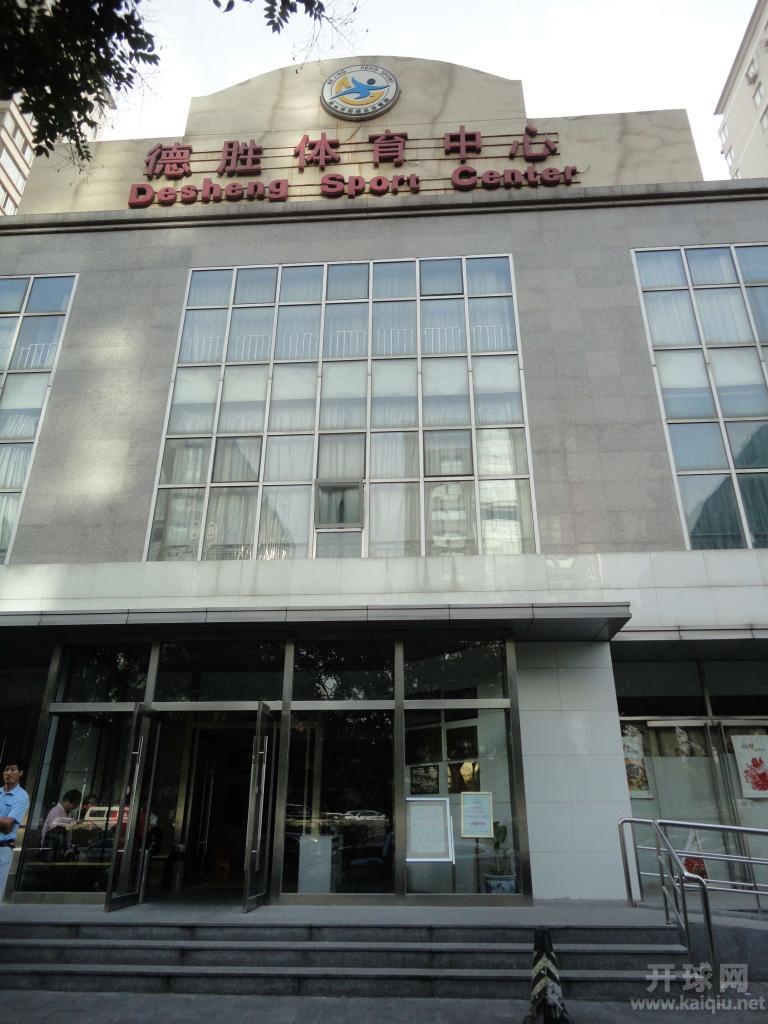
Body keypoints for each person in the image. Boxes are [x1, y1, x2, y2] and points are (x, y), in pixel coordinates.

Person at [0, 758, 30, 900]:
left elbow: (8, 825)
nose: (8, 773)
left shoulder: (21, 796)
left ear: (21, 773)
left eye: (13, 769)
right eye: (6, 769)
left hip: (3, 848)